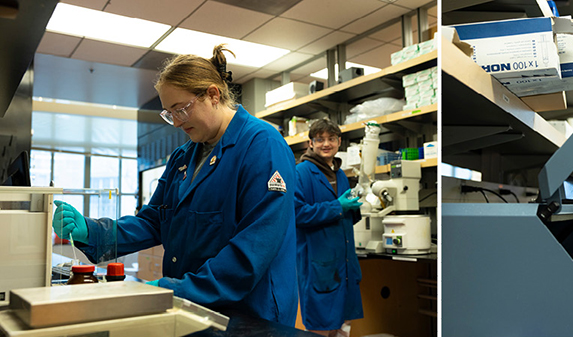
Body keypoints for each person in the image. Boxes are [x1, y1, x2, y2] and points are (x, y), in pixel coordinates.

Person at [51, 44, 299, 326]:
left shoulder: (262, 145)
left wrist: (175, 290)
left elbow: (254, 247)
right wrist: (93, 230)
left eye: (181, 109)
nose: (176, 123)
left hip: (250, 313)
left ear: (213, 95)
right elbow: (154, 221)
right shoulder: (184, 156)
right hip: (194, 306)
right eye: (169, 114)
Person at [294, 118, 364, 337]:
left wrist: (354, 207)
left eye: (331, 139)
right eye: (320, 139)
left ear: (339, 142)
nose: (326, 144)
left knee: (343, 327)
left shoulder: (340, 174)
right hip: (318, 264)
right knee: (319, 328)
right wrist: (338, 206)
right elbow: (297, 214)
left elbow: (344, 218)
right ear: (311, 143)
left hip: (343, 264)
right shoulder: (301, 173)